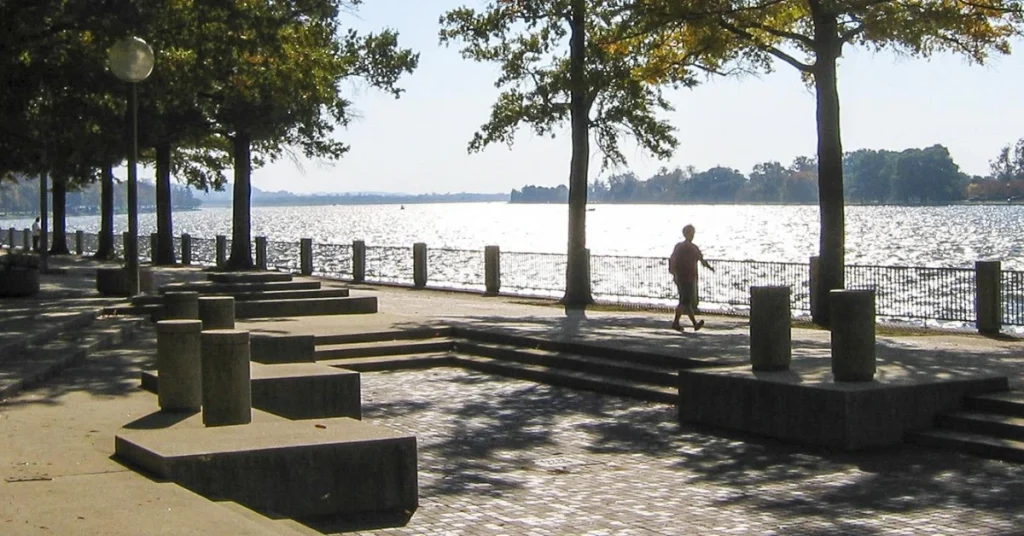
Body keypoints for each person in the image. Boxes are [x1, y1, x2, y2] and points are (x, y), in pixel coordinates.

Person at [669, 224, 714, 331]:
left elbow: (672, 259)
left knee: (687, 302)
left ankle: (694, 324)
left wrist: (673, 272)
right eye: (692, 233)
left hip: (680, 276)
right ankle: (676, 322)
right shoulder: (693, 248)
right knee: (684, 301)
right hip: (688, 277)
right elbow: (702, 260)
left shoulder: (679, 247)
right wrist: (710, 268)